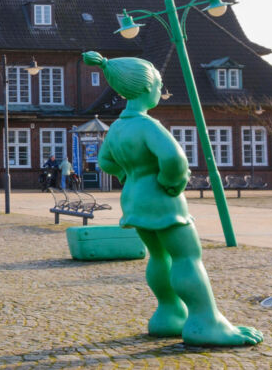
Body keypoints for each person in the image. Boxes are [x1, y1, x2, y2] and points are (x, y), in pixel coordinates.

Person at [83, 51, 262, 346]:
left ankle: (168, 313)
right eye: (158, 84)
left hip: (134, 200)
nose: (160, 91)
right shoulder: (147, 125)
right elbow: (174, 159)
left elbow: (105, 162)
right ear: (144, 88)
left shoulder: (117, 127)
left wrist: (128, 176)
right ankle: (206, 322)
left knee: (159, 256)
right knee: (187, 257)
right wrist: (170, 184)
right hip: (161, 200)